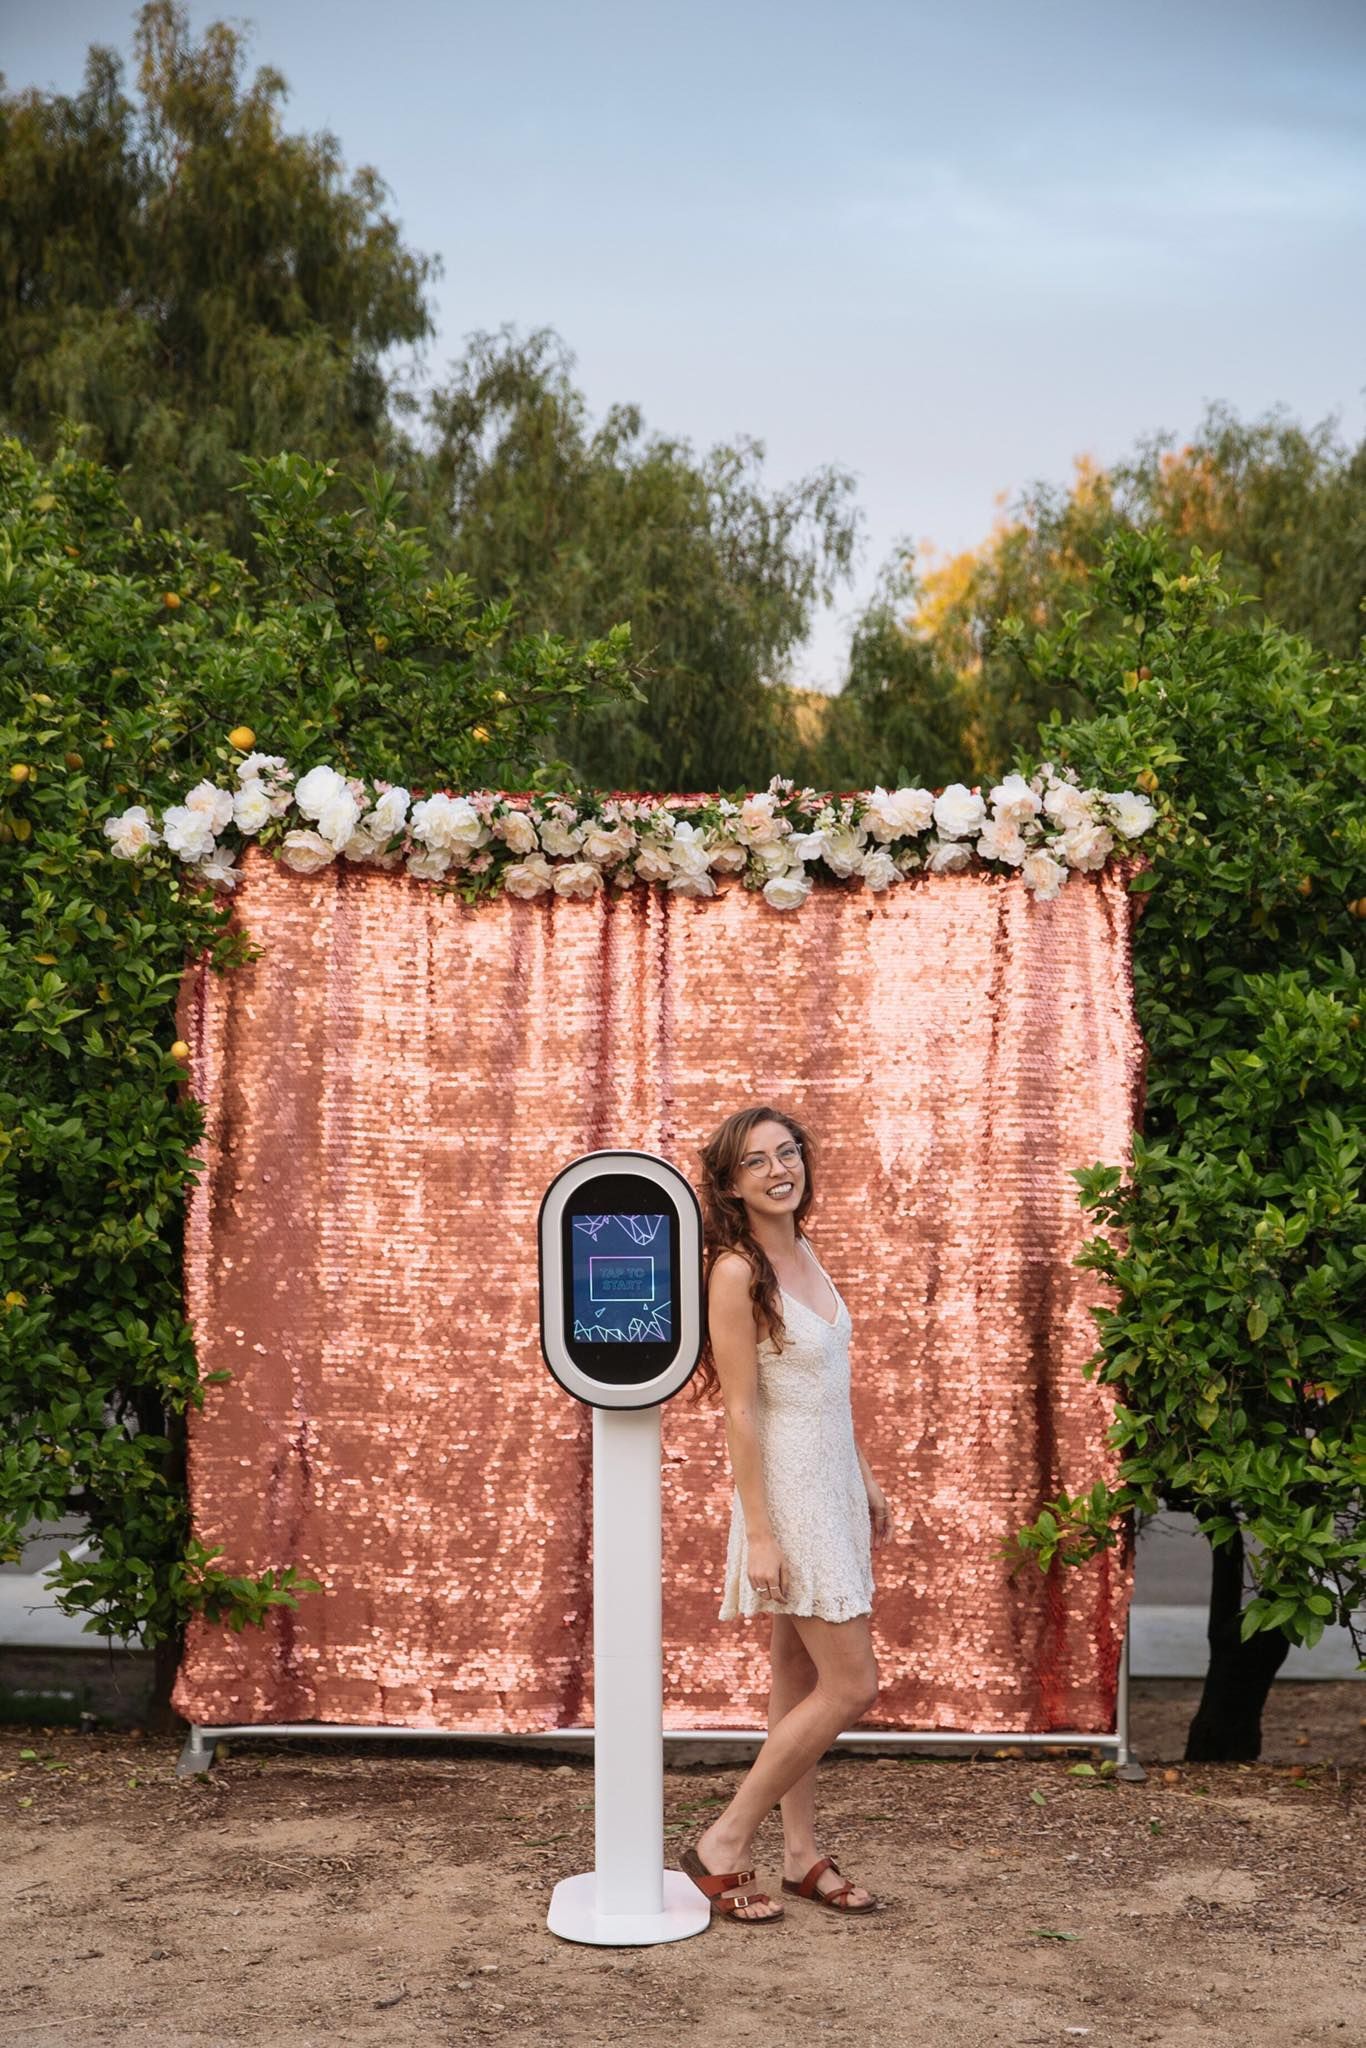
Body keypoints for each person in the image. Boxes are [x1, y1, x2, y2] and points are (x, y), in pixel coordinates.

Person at [679, 1105, 891, 1926]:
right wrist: (760, 1533)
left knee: (797, 1679)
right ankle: (722, 1844)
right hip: (788, 1495)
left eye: (789, 1152)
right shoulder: (735, 1271)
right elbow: (742, 1411)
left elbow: (823, 1390)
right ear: (731, 1183)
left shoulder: (802, 1250)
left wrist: (864, 1476)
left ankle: (801, 1855)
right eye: (759, 1161)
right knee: (851, 1683)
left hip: (831, 1481)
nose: (780, 1169)